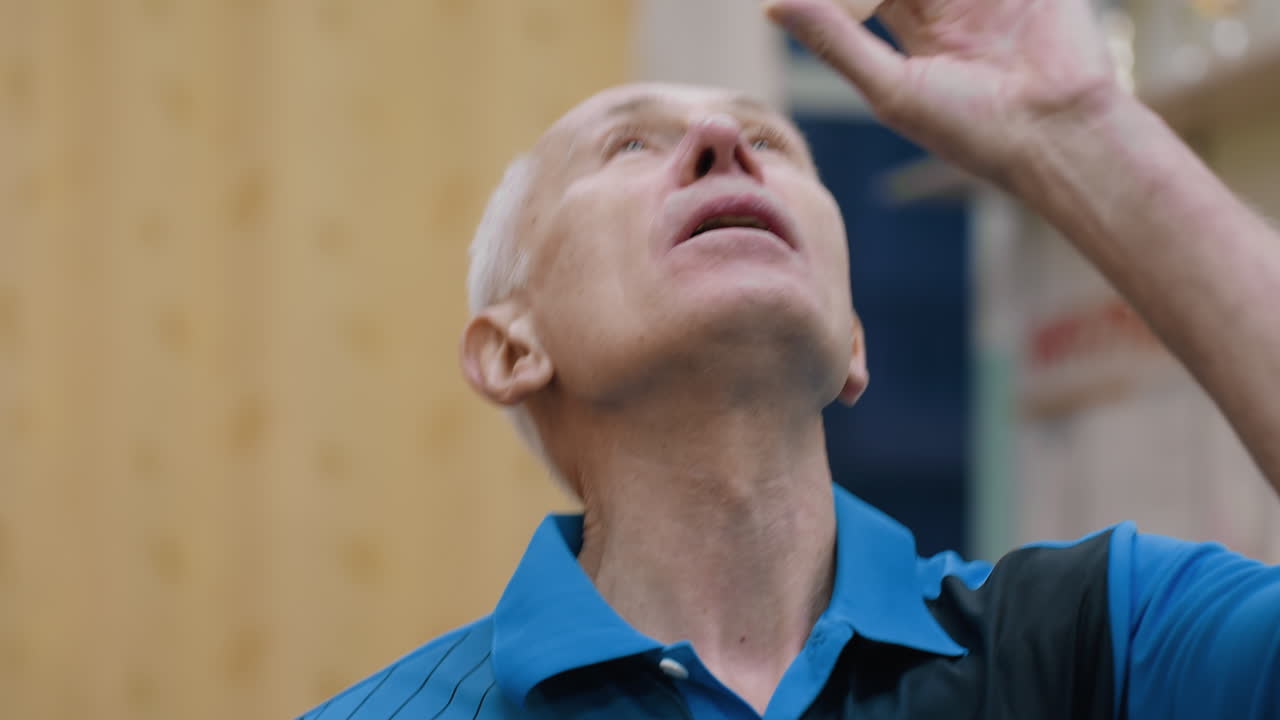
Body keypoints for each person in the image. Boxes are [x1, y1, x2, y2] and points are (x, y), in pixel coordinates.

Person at [298, 0, 1280, 718]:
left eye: (771, 140)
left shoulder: (1100, 643)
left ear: (851, 340)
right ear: (513, 347)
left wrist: (1079, 130)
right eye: (628, 146)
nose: (723, 141)